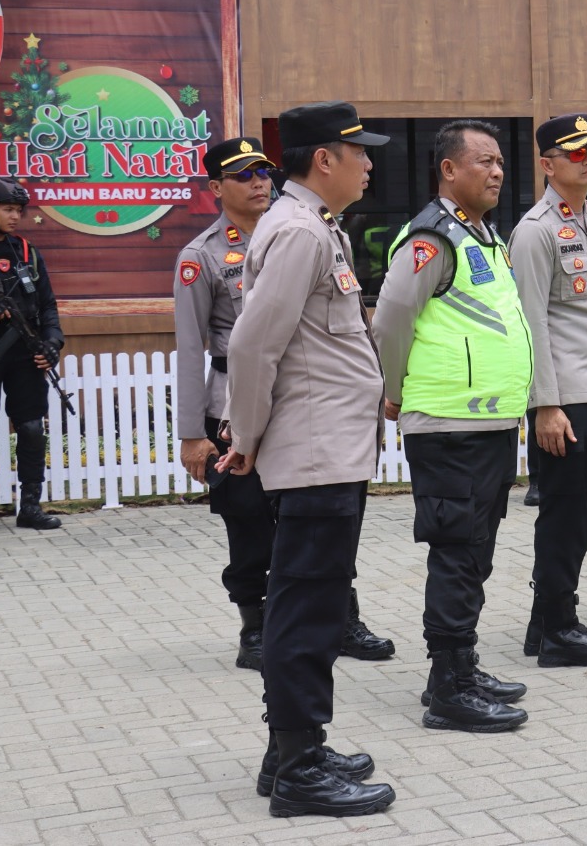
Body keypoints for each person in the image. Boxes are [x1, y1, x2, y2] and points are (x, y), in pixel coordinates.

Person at [218, 101, 397, 818]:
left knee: (312, 606)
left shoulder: (313, 225)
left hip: (330, 449)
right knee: (306, 612)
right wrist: (246, 437)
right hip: (314, 452)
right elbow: (252, 345)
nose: (369, 164)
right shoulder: (298, 231)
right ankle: (299, 767)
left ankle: (287, 752)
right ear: (324, 159)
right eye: (360, 152)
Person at [175, 139, 394, 674]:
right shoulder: (202, 255)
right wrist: (192, 433)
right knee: (250, 523)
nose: (258, 183)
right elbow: (192, 346)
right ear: (215, 188)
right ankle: (255, 625)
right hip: (234, 404)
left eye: (262, 172)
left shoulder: (313, 228)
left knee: (326, 520)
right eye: (242, 175)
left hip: (301, 401)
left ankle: (341, 616)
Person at [372, 121, 530, 733]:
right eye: (483, 161)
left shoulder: (484, 236)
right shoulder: (431, 239)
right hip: (449, 424)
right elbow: (391, 319)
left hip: (488, 422)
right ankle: (448, 688)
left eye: (499, 162)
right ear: (448, 169)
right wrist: (393, 389)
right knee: (457, 553)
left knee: (476, 552)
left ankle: (462, 667)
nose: (497, 172)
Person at [508, 114, 587, 668]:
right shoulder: (534, 230)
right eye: (577, 152)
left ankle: (547, 622)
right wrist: (545, 404)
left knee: (585, 508)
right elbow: (530, 322)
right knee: (564, 511)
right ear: (547, 164)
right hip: (565, 395)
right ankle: (558, 628)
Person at [0, 178, 64, 530]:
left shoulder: (25, 251)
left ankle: (30, 506)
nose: (15, 216)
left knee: (32, 428)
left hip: (25, 355)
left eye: (19, 210)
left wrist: (53, 343)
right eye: (8, 209)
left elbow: (47, 304)